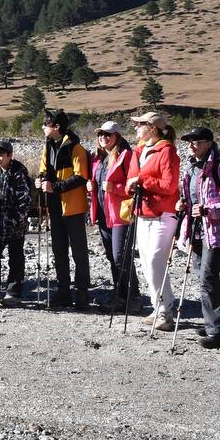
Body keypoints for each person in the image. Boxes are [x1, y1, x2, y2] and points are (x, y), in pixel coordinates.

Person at [179, 126, 220, 349]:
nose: (191, 145)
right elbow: (191, 196)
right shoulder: (192, 168)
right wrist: (183, 204)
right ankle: (213, 322)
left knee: (208, 278)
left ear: (209, 143)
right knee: (201, 276)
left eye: (196, 141)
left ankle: (219, 332)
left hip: (214, 231)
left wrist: (208, 210)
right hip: (195, 228)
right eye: (189, 141)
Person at [127, 111, 181, 331]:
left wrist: (142, 180)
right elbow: (132, 178)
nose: (135, 127)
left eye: (139, 124)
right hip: (143, 212)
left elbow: (170, 185)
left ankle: (166, 311)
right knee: (148, 263)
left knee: (155, 262)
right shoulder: (139, 150)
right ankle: (159, 308)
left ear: (152, 127)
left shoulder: (167, 151)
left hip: (163, 214)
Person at [36, 108, 92, 310]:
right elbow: (44, 169)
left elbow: (81, 177)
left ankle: (83, 293)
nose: (42, 127)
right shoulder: (48, 146)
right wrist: (41, 180)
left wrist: (54, 187)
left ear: (57, 126)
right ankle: (63, 292)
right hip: (55, 206)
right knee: (59, 251)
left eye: (46, 123)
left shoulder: (75, 148)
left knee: (79, 252)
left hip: (74, 207)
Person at [90, 121, 139, 312]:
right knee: (112, 256)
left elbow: (134, 187)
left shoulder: (126, 156)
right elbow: (98, 183)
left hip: (121, 214)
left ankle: (133, 297)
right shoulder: (99, 158)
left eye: (107, 134)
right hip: (104, 214)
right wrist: (91, 187)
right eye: (100, 134)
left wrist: (114, 188)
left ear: (117, 136)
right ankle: (120, 296)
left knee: (121, 256)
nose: (103, 137)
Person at [0, 139, 31, 306]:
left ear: (10, 155)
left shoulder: (18, 172)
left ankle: (14, 293)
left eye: (1, 155)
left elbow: (24, 200)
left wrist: (16, 219)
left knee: (15, 258)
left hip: (14, 224)